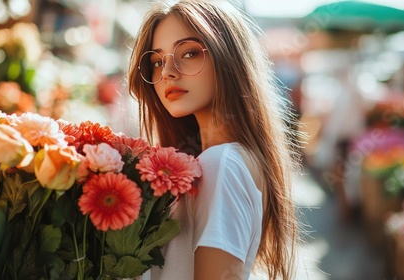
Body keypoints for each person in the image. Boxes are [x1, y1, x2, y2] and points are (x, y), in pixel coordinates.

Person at [128, 1, 300, 279]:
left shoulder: (222, 164)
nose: (168, 72)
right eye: (157, 61)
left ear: (228, 58)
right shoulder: (225, 159)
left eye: (190, 53)